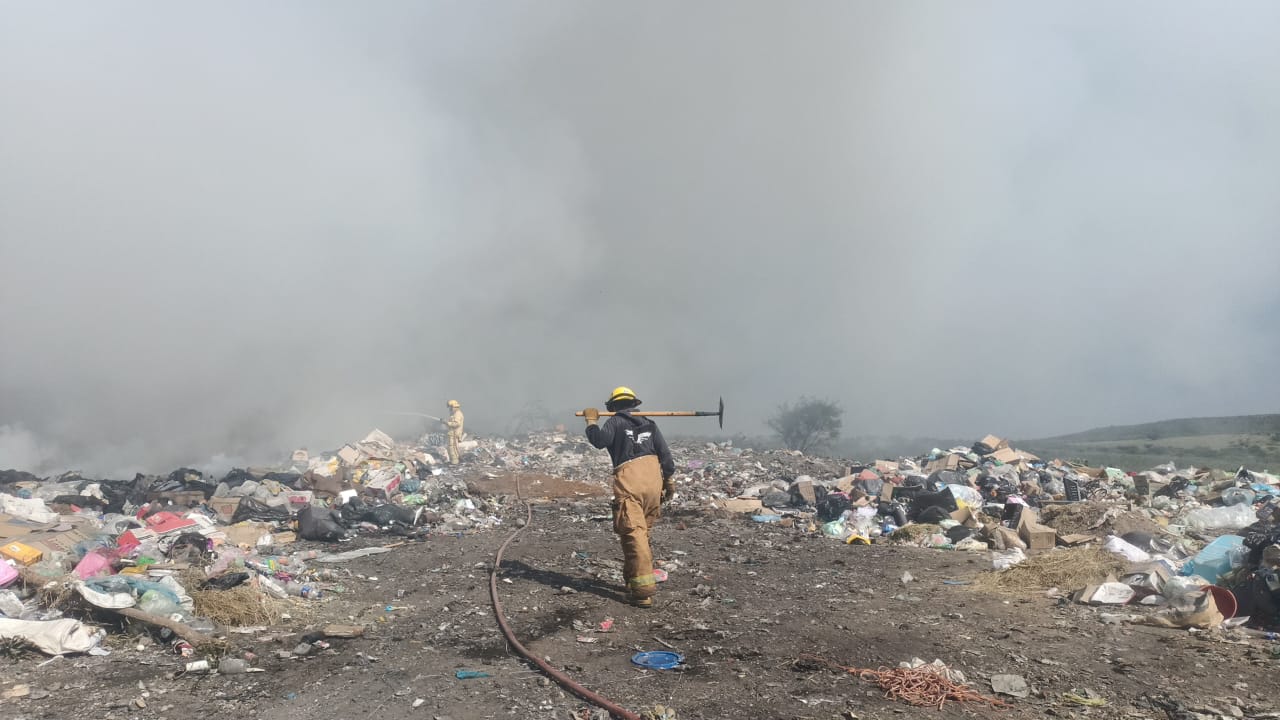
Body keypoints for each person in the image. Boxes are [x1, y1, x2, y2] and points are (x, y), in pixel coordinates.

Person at [583, 386, 675, 608]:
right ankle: (632, 581)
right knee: (639, 534)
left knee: (634, 534)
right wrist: (669, 481)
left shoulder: (615, 422)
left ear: (613, 407)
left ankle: (643, 592)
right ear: (634, 404)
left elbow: (599, 440)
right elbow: (666, 456)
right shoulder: (650, 424)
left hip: (630, 482)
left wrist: (591, 422)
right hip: (654, 483)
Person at [443, 400, 464, 465]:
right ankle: (454, 461)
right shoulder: (454, 414)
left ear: (454, 406)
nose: (450, 409)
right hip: (452, 433)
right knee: (451, 448)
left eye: (450, 407)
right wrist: (445, 422)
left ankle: (455, 463)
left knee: (452, 448)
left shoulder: (457, 414)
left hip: (454, 434)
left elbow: (456, 424)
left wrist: (446, 422)